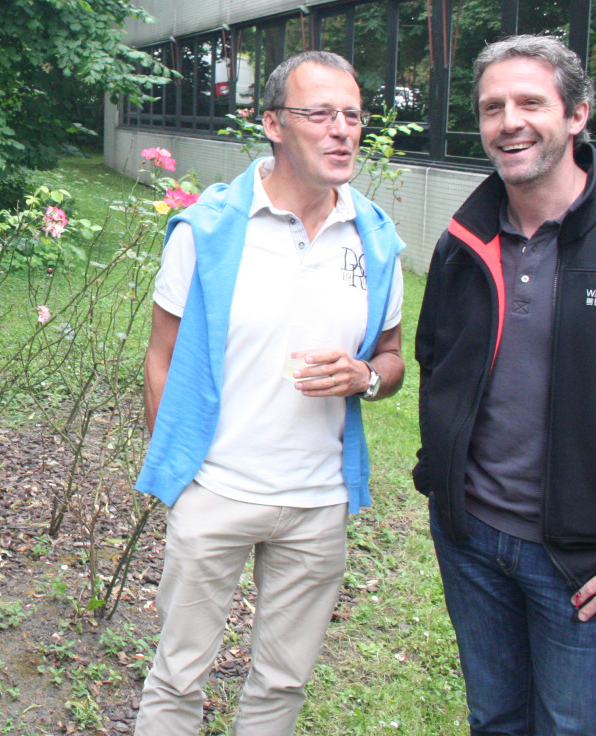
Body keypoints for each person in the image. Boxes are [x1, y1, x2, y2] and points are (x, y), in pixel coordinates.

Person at [132, 50, 406, 736]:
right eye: (321, 114)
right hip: (217, 492)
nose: (343, 130)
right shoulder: (209, 229)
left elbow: (394, 358)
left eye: (352, 115)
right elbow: (160, 358)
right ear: (274, 125)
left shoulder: (375, 240)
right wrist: (184, 481)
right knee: (176, 676)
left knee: (282, 685)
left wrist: (366, 376)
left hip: (318, 505)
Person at [416, 34, 596, 735]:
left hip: (590, 563)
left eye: (531, 102)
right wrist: (439, 480)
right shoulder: (464, 240)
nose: (510, 121)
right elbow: (437, 362)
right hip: (472, 542)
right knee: (495, 719)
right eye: (492, 107)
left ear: (577, 114)